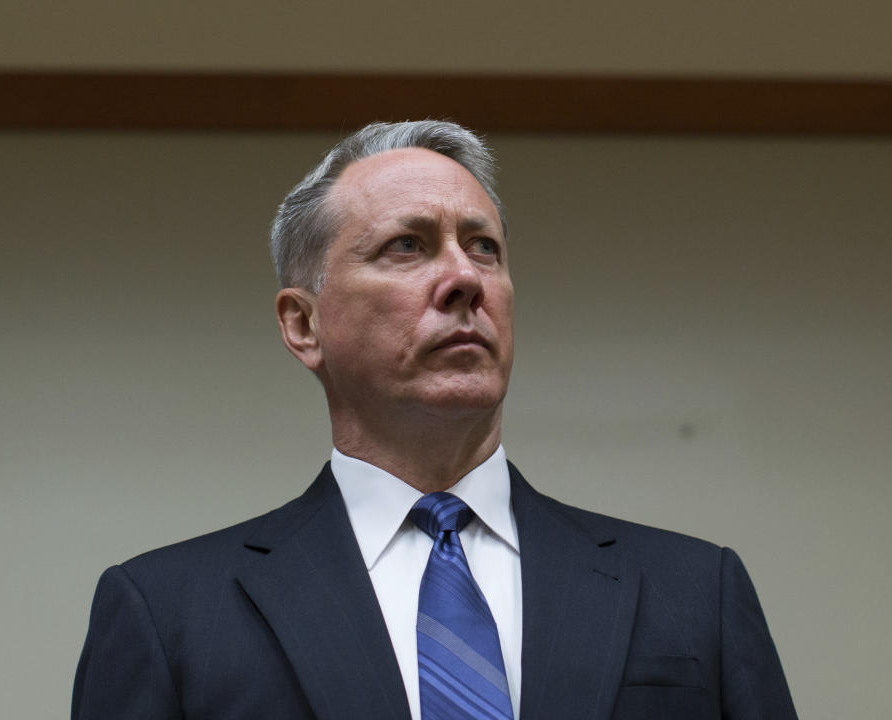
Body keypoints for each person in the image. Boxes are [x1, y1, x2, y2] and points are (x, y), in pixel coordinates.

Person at [72, 121, 798, 719]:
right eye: (408, 246)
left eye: (484, 246)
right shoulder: (168, 615)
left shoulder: (698, 591)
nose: (465, 279)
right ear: (303, 325)